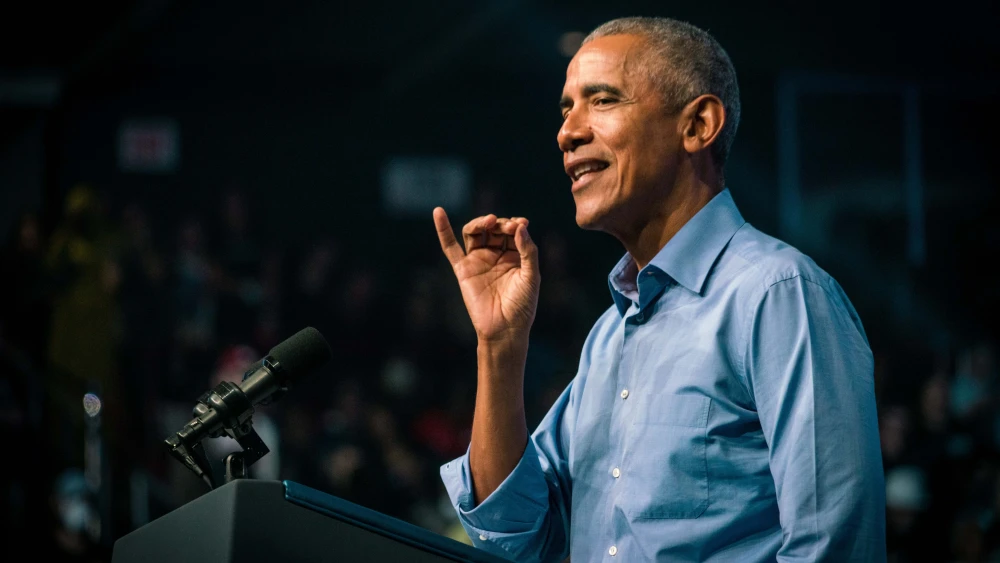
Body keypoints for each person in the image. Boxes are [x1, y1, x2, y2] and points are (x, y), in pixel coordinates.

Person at [432, 16, 885, 562]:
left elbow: (833, 548)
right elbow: (517, 536)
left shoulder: (778, 295)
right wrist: (500, 349)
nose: (567, 132)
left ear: (698, 126)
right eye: (565, 107)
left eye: (601, 100)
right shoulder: (608, 338)